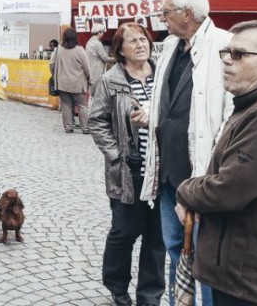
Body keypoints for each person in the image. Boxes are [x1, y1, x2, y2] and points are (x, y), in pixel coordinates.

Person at [176, 20, 257, 306]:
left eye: (239, 54)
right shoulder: (255, 104)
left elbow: (230, 188)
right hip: (239, 267)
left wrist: (185, 191)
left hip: (249, 276)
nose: (227, 61)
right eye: (225, 53)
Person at [140, 0, 233, 306]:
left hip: (201, 171)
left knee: (204, 252)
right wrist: (150, 113)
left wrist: (213, 166)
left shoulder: (224, 44)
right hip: (168, 171)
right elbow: (165, 97)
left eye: (165, 11)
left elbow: (229, 112)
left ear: (188, 14)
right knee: (174, 245)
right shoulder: (169, 46)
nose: (161, 17)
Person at [90, 22, 165, 306]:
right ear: (120, 50)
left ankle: (150, 294)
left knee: (156, 238)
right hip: (128, 170)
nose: (140, 44)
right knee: (124, 232)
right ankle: (117, 285)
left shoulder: (162, 74)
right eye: (132, 41)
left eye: (143, 39)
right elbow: (97, 120)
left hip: (160, 170)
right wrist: (115, 154)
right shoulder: (112, 80)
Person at [53, 28, 91, 134]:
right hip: (78, 84)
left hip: (63, 84)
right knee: (82, 105)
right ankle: (85, 127)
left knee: (66, 105)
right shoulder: (80, 51)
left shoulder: (59, 50)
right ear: (75, 38)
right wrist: (90, 79)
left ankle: (68, 127)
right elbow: (87, 67)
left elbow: (52, 65)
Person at [86, 23, 115, 95]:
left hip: (91, 70)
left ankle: (91, 105)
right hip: (97, 71)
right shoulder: (97, 44)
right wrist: (117, 59)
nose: (103, 34)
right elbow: (105, 58)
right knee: (97, 93)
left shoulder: (89, 42)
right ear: (99, 32)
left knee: (92, 94)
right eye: (102, 32)